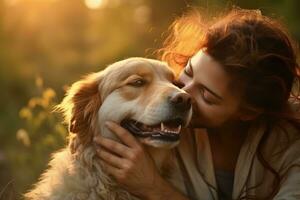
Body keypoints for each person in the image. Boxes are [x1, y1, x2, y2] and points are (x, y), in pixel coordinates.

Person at [93, 8, 300, 200]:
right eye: (189, 72)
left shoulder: (291, 141)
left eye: (207, 96)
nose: (182, 93)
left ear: (248, 112)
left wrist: (154, 188)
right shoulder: (162, 123)